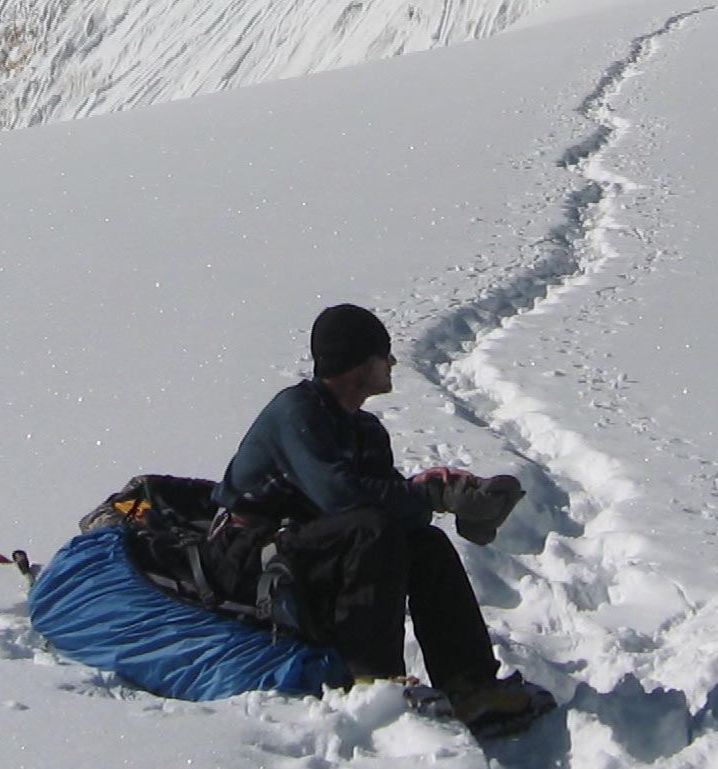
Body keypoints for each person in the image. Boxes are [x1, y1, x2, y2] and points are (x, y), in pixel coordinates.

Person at [204, 304, 551, 732]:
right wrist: (427, 494)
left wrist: (451, 500)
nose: (391, 363)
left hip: (302, 551)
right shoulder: (296, 411)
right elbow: (340, 497)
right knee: (373, 528)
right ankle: (374, 682)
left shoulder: (365, 430)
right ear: (357, 364)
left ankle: (471, 685)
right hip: (243, 555)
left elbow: (395, 505)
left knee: (424, 542)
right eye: (383, 354)